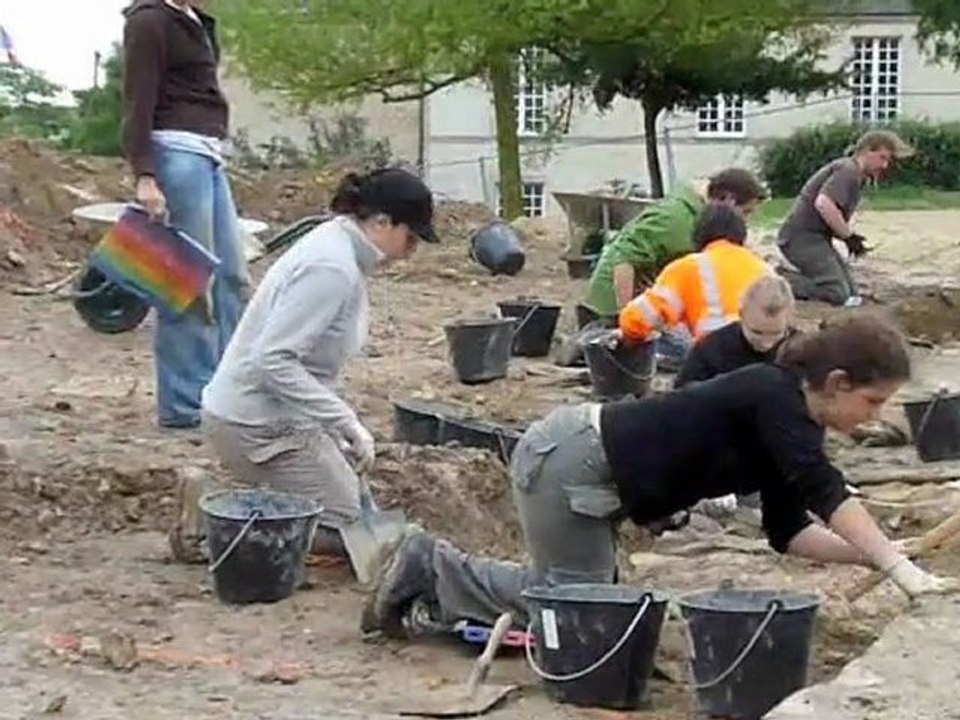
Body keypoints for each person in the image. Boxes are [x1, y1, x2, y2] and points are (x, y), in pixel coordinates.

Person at [361, 314, 956, 637]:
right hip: (571, 459)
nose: (874, 417)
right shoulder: (775, 395)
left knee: (587, 605)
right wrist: (894, 565)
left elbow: (788, 530)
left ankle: (435, 574)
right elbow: (823, 488)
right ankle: (431, 567)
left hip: (595, 473)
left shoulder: (790, 425)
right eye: (873, 402)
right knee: (582, 610)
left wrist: (870, 555)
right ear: (837, 383)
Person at [195, 168, 439, 581]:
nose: (410, 251)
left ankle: (249, 508)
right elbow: (272, 360)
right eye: (410, 237)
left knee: (357, 505)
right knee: (346, 527)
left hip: (280, 416)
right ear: (382, 222)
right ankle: (207, 525)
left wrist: (330, 425)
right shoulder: (331, 268)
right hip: (254, 425)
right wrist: (343, 419)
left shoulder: (339, 247)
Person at [122, 0, 249, 429]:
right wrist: (145, 175)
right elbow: (137, 100)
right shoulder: (149, 20)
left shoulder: (196, 20)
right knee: (189, 283)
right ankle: (186, 404)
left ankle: (230, 391)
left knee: (232, 278)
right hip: (175, 154)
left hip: (208, 155)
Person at [563, 169, 767, 368]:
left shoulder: (694, 223)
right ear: (728, 200)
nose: (745, 221)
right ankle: (596, 340)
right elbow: (622, 259)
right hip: (619, 297)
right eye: (746, 212)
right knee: (687, 353)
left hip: (651, 295)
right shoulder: (675, 220)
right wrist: (625, 320)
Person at [777, 130, 913, 306]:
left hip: (816, 239)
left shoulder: (853, 173)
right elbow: (824, 203)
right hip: (801, 239)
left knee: (852, 292)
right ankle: (777, 282)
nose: (885, 165)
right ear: (867, 150)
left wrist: (849, 238)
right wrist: (848, 237)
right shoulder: (847, 170)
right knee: (836, 293)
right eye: (882, 158)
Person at [617, 204, 770, 347]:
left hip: (717, 356)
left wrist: (627, 334)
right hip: (765, 355)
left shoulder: (689, 267)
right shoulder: (762, 267)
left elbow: (639, 319)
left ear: (698, 234)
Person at [674, 274, 796, 388]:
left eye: (776, 333)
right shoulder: (711, 350)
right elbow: (680, 398)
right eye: (756, 332)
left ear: (790, 319)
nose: (767, 344)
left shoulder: (802, 352)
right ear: (741, 315)